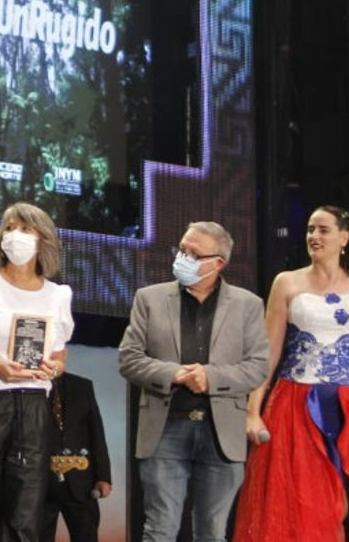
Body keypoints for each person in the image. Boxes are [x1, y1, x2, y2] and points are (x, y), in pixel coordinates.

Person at [234, 206, 349, 541]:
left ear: (344, 237)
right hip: (295, 403)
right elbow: (268, 352)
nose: (314, 236)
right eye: (311, 229)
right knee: (305, 501)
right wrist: (253, 411)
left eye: (323, 229)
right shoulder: (286, 283)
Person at [118, 221, 269, 542]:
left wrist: (211, 378)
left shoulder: (248, 306)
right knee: (160, 529)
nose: (183, 258)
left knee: (212, 532)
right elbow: (129, 358)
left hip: (221, 434)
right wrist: (171, 373)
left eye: (194, 254)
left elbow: (257, 367)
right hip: (165, 428)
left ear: (219, 263)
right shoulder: (149, 298)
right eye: (181, 250)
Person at [0, 202, 73, 541]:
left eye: (25, 229)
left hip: (35, 410)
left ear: (43, 240)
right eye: (9, 228)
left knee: (26, 519)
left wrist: (56, 367)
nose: (14, 236)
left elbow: (59, 352)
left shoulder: (58, 295)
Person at [39, 371, 112, 542]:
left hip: (81, 483)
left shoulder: (82, 385)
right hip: (39, 482)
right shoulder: (28, 387)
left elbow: (96, 433)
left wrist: (103, 476)